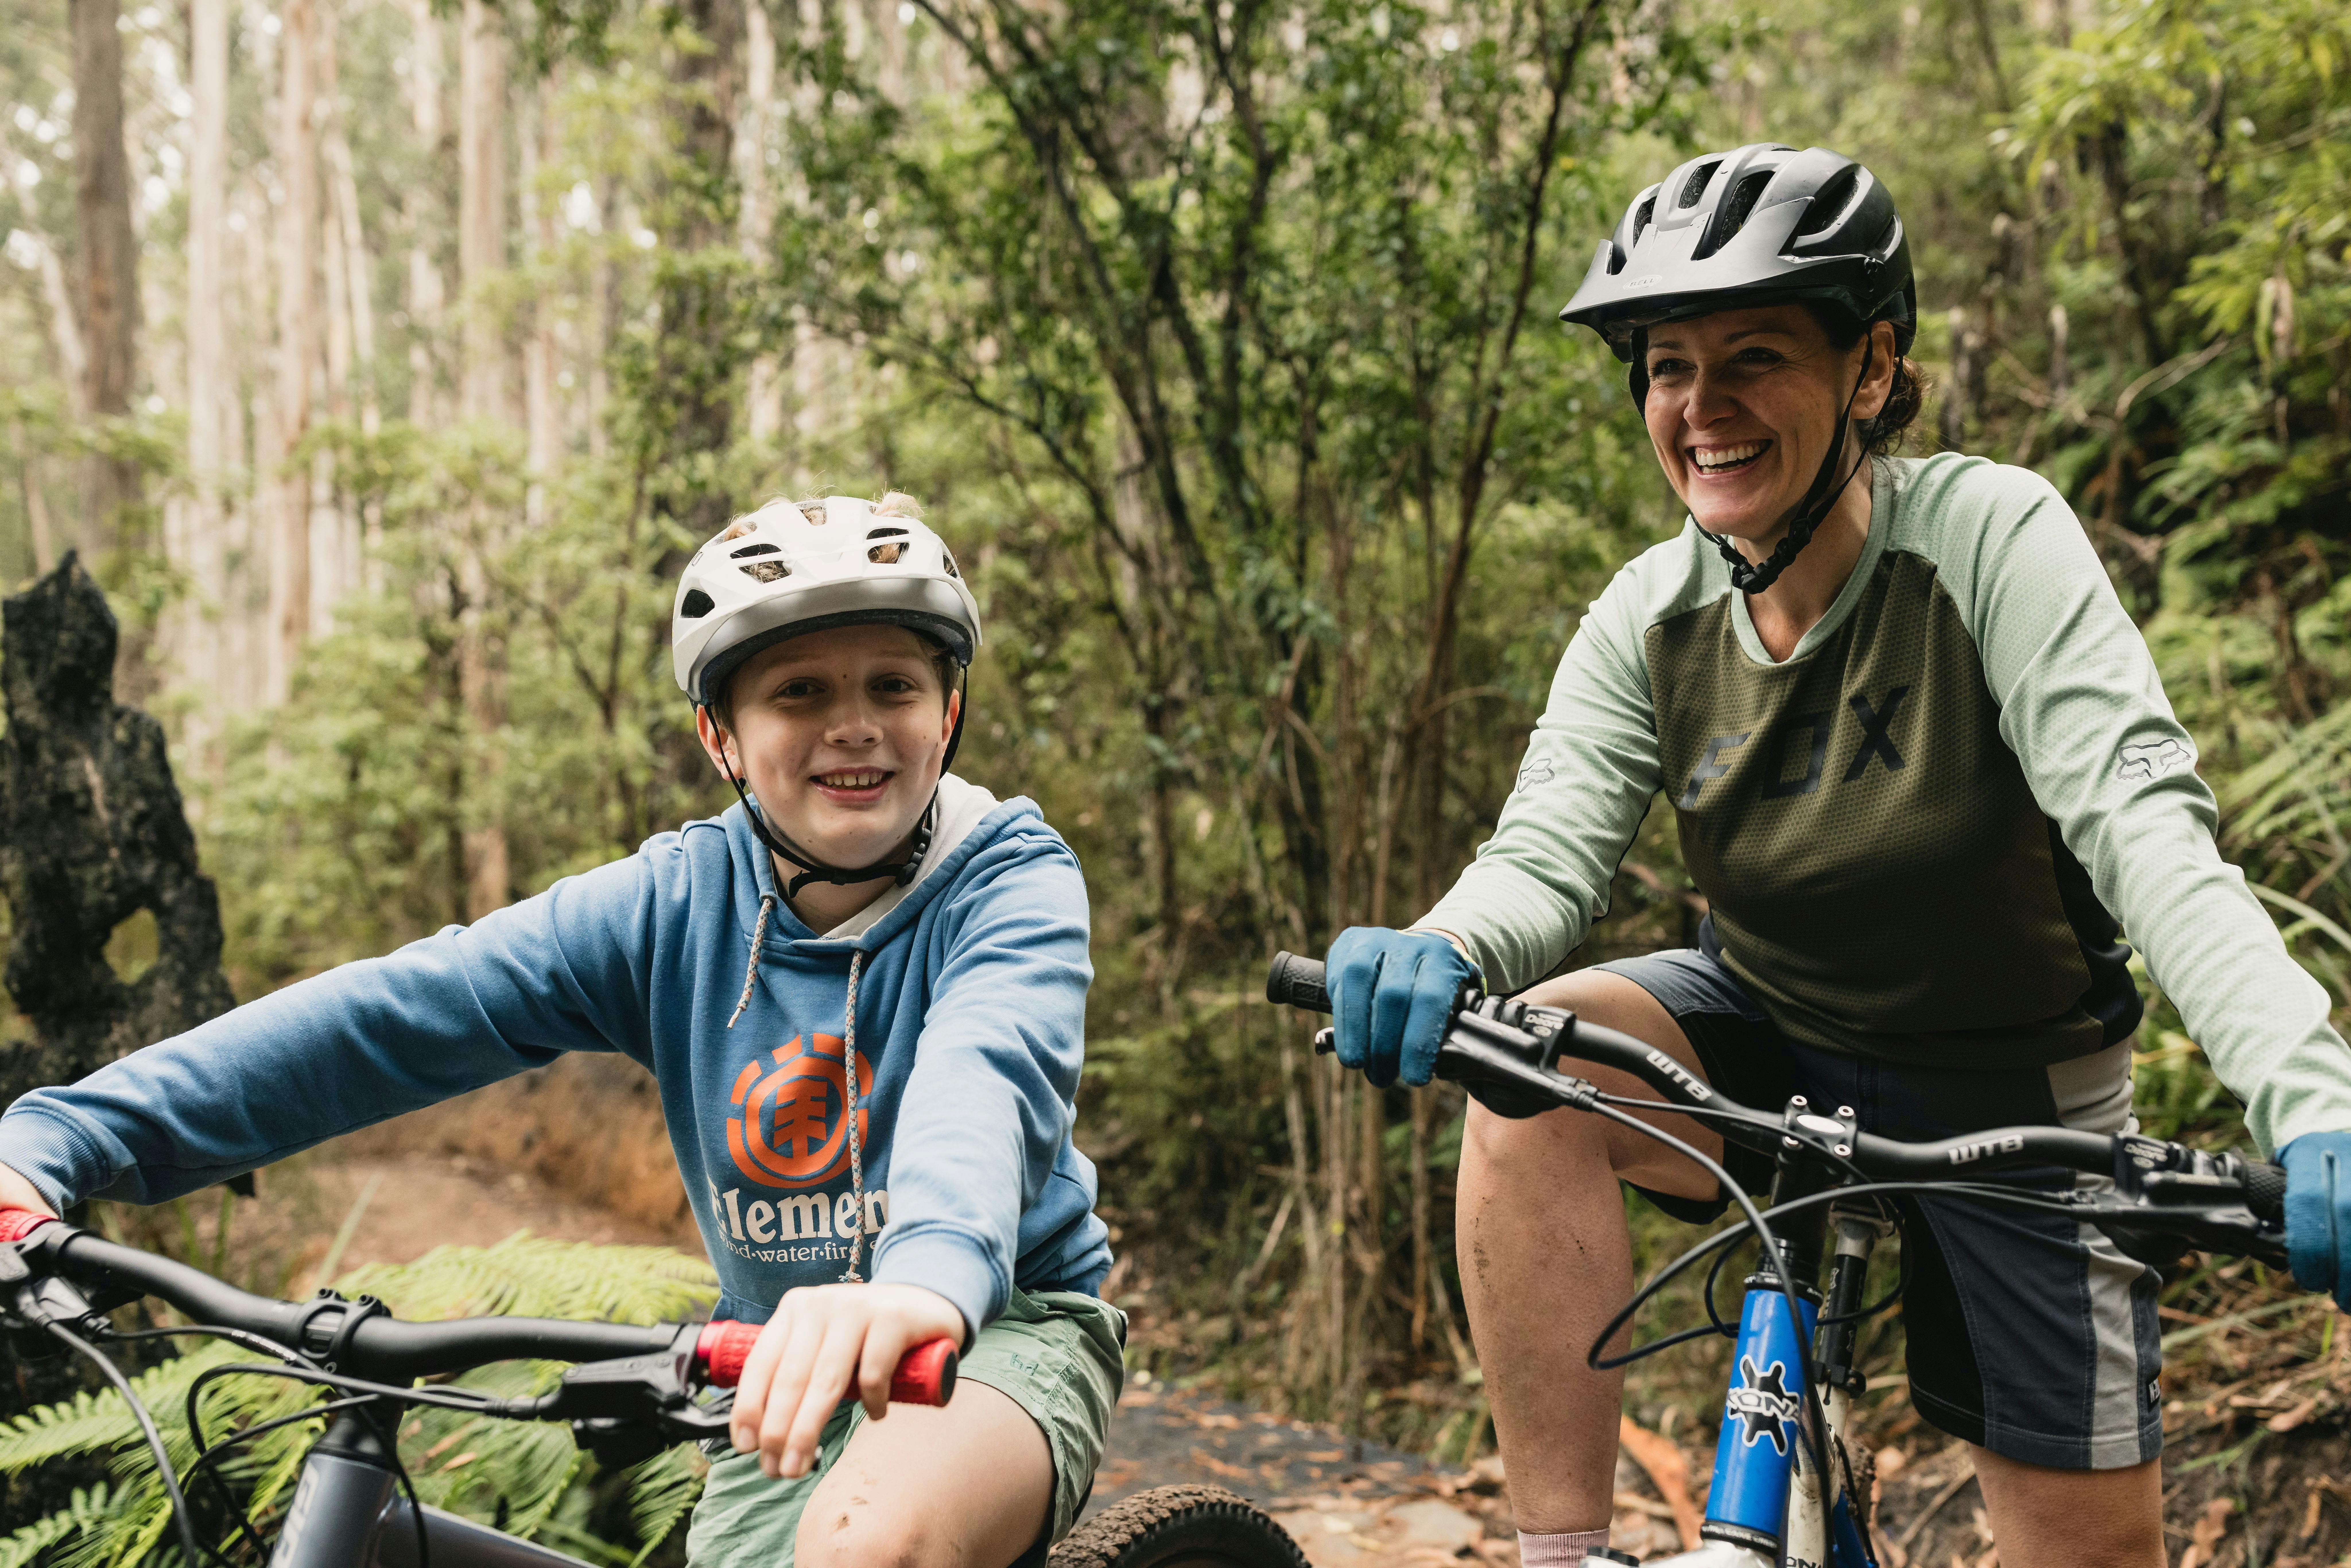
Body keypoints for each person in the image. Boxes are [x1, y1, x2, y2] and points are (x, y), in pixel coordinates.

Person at [1321, 143, 2351, 1568]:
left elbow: (2142, 830)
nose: (1701, 407)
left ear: (1869, 371)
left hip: (2017, 1095)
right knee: (1526, 1062)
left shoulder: (1987, 541)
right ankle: (1554, 1555)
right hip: (1767, 1045)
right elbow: (1543, 850)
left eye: (1754, 356)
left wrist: (2309, 1104)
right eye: (1667, 365)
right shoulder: (1648, 615)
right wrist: (1439, 943)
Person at [0, 491, 1122, 1568]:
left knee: (866, 1544)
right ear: (720, 736)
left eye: (893, 683)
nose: (854, 727)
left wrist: (921, 1281)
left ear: (949, 711)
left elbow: (984, 1074)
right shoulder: (670, 908)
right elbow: (385, 1018)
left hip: (990, 1328)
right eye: (796, 693)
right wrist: (55, 1138)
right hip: (770, 1356)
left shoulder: (1006, 880)